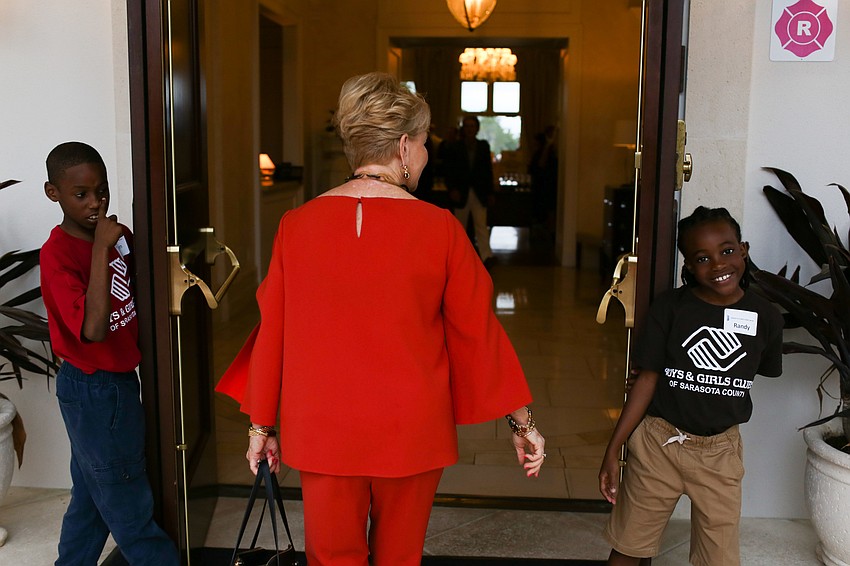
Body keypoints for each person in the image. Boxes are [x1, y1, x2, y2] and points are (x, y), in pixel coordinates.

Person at [216, 73, 545, 566]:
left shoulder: (296, 226)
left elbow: (274, 331)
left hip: (322, 426)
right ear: (406, 145)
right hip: (412, 427)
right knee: (399, 558)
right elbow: (477, 333)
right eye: (426, 142)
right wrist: (523, 425)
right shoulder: (442, 230)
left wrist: (260, 427)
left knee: (331, 559)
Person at [598, 206, 783, 566]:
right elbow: (647, 379)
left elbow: (752, 369)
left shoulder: (766, 317)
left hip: (720, 453)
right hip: (658, 444)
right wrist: (613, 448)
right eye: (702, 258)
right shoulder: (670, 308)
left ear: (743, 249)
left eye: (727, 251)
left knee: (719, 557)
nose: (718, 264)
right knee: (629, 545)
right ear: (688, 266)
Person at [40, 142, 180, 565]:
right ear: (54, 193)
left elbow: (144, 297)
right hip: (92, 390)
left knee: (89, 503)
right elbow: (94, 329)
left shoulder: (120, 240)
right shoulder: (58, 254)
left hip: (119, 383)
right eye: (81, 194)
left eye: (102, 191)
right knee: (131, 510)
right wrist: (101, 248)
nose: (96, 203)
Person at [443, 115, 496, 267]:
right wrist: (452, 188)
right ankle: (459, 260)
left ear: (477, 128)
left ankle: (486, 256)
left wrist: (490, 192)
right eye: (467, 126)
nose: (470, 129)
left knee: (481, 225)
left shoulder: (483, 146)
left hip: (480, 192)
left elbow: (488, 171)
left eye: (472, 126)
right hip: (461, 192)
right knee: (460, 227)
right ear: (463, 129)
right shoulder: (455, 147)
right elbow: (449, 170)